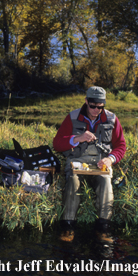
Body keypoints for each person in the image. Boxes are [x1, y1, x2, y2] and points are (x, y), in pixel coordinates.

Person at [53, 86, 126, 243]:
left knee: (106, 182)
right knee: (72, 181)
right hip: (76, 163)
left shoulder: (112, 118)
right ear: (86, 102)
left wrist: (110, 159)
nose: (96, 110)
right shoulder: (72, 117)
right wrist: (76, 138)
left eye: (100, 107)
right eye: (93, 106)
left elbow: (121, 146)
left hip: (101, 165)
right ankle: (68, 227)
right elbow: (57, 144)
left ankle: (103, 229)